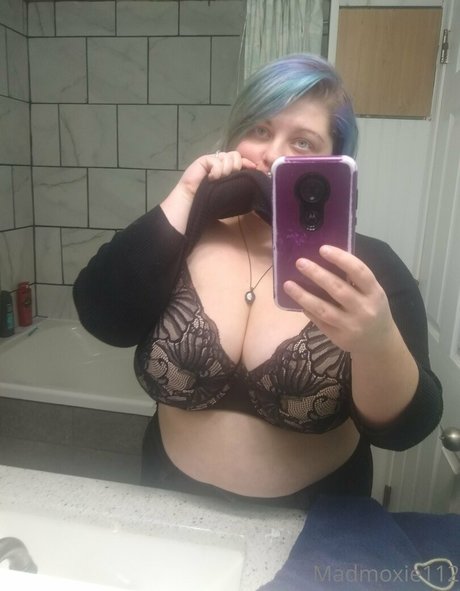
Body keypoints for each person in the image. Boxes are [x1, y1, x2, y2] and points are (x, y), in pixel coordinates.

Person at [73, 54, 442, 510]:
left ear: (334, 161)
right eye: (260, 130)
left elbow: (408, 430)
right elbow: (101, 315)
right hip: (169, 506)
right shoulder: (184, 236)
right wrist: (188, 196)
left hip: (316, 524)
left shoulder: (367, 267)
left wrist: (376, 341)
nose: (272, 155)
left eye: (303, 142)